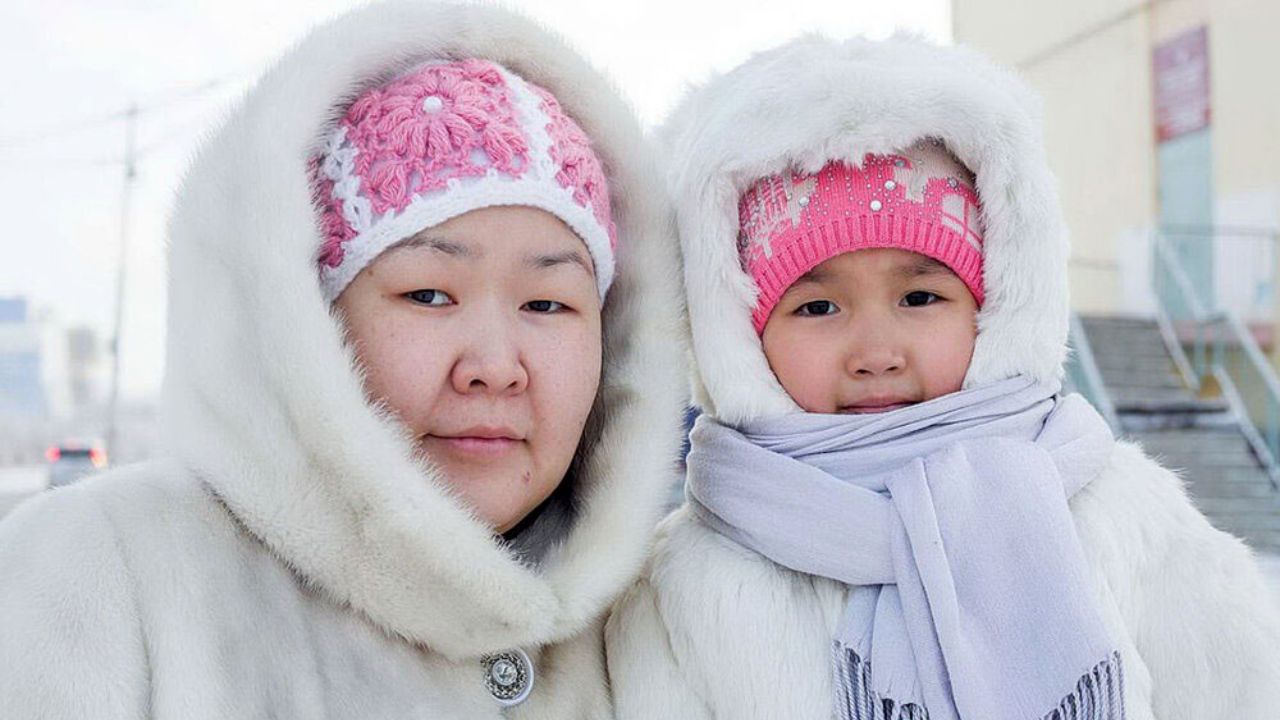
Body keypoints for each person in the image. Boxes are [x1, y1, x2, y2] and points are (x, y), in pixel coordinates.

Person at [0, 3, 685, 717]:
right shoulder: (102, 578)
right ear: (309, 324)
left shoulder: (664, 623)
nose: (494, 365)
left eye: (547, 304)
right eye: (428, 293)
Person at [607, 34, 1280, 719]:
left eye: (920, 298)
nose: (876, 351)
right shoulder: (686, 585)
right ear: (741, 336)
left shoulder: (1118, 515)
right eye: (817, 306)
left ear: (992, 305)